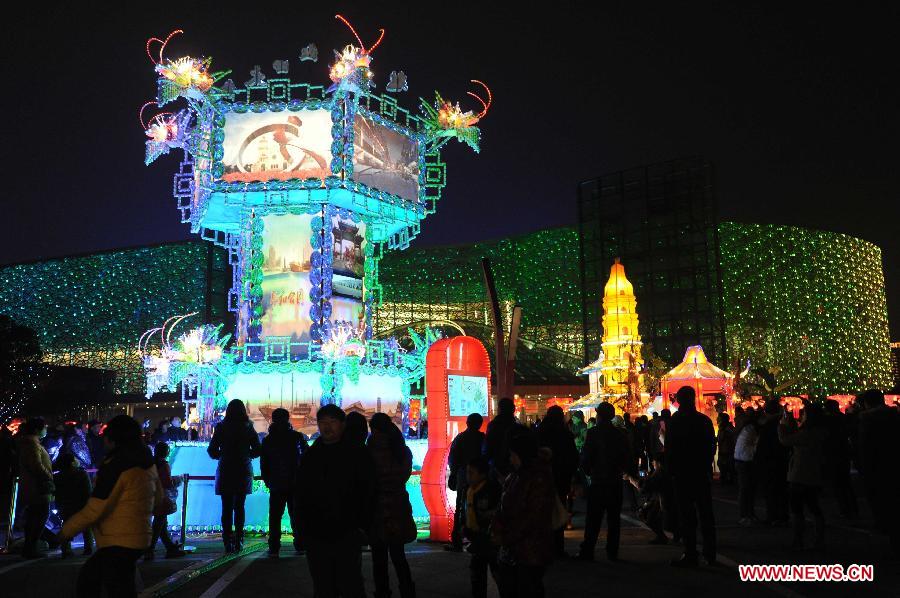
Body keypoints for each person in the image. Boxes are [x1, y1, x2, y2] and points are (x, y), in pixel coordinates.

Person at [59, 415, 164, 598]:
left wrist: (66, 530)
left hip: (118, 540)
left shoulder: (117, 467)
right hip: (139, 536)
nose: (103, 441)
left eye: (106, 436)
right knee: (121, 585)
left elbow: (96, 507)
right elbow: (159, 499)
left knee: (91, 581)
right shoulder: (147, 463)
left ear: (114, 439)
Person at [296, 404, 376, 598]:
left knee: (351, 584)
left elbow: (369, 491)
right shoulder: (310, 456)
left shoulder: (357, 454)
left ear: (342, 425)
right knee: (323, 585)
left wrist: (363, 526)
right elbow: (300, 494)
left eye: (332, 422)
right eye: (322, 422)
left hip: (347, 531)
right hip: (317, 533)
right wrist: (301, 528)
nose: (327, 427)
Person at [492, 431, 555, 597]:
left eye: (513, 455)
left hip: (530, 548)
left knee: (527, 587)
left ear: (522, 454)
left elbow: (533, 517)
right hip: (515, 547)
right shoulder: (517, 474)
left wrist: (507, 536)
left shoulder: (537, 478)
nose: (510, 459)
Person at [666, 386, 717, 567]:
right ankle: (710, 553)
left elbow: (670, 448)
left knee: (687, 516)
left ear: (679, 400)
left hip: (682, 474)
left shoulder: (676, 421)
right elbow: (711, 445)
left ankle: (691, 552)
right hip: (700, 472)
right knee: (705, 514)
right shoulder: (703, 421)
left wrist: (671, 469)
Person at [367, 413, 417, 598]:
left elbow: (367, 480)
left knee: (378, 558)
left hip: (377, 508)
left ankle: (382, 592)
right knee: (398, 555)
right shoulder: (402, 450)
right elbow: (404, 476)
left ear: (375, 430)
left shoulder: (369, 450)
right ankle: (407, 590)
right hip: (398, 506)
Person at [578, 402, 629, 562]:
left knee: (593, 519)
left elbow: (587, 457)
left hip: (598, 480)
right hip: (615, 481)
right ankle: (612, 551)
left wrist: (586, 472)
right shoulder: (620, 434)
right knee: (614, 519)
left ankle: (588, 550)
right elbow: (626, 458)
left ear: (599, 415)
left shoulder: (593, 433)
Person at [207, 399, 261, 553]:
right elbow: (258, 449)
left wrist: (222, 456)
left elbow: (211, 450)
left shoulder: (221, 427)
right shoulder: (248, 427)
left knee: (226, 507)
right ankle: (239, 540)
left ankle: (227, 541)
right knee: (239, 506)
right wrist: (245, 455)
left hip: (225, 469)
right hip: (243, 470)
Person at [778, 402, 827, 549]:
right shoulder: (822, 432)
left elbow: (785, 440)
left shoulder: (807, 433)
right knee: (814, 507)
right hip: (815, 474)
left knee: (797, 509)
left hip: (800, 474)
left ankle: (798, 539)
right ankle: (818, 539)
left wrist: (781, 426)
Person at [260, 407, 308, 558]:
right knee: (297, 515)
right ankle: (300, 544)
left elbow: (264, 463)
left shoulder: (269, 440)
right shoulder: (297, 437)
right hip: (295, 482)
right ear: (288, 419)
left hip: (276, 483)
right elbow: (306, 456)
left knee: (275, 517)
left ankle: (274, 547)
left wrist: (268, 480)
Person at [857, 389, 900, 552]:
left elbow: (865, 447)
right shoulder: (894, 415)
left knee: (881, 499)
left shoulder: (868, 419)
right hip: (893, 463)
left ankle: (887, 532)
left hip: (877, 466)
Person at [536, 406, 578, 557]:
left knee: (542, 512)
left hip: (541, 478)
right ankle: (558, 548)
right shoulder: (565, 433)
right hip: (561, 478)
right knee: (559, 511)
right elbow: (573, 457)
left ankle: (542, 547)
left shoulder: (540, 432)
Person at [464, 455, 502, 598]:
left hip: (488, 537)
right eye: (467, 472)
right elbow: (467, 511)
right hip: (477, 537)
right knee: (478, 570)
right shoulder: (470, 490)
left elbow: (495, 512)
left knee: (493, 568)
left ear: (483, 474)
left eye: (471, 473)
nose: (468, 476)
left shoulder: (490, 490)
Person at [16, 417, 54, 559]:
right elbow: (36, 465)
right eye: (44, 427)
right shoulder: (32, 444)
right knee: (39, 517)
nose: (46, 430)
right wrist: (48, 477)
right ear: (37, 429)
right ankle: (31, 548)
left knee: (35, 517)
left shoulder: (31, 443)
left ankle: (30, 547)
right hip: (37, 487)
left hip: (34, 486)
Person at [448, 413, 486, 551]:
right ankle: (476, 539)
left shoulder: (460, 438)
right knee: (478, 508)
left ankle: (457, 539)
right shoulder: (482, 438)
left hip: (463, 477)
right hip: (481, 478)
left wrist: (454, 473)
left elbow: (453, 459)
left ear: (467, 423)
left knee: (460, 507)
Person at [624, 452, 675, 544]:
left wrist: (631, 479)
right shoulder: (667, 470)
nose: (652, 463)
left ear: (659, 462)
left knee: (644, 514)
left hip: (665, 504)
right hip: (668, 501)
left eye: (654, 461)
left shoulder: (659, 472)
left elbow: (644, 488)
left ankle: (664, 536)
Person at [146, 442, 185, 559]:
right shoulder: (164, 464)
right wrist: (178, 479)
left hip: (151, 495)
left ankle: (169, 547)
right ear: (166, 452)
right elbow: (167, 482)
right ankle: (150, 549)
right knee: (159, 523)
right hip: (162, 497)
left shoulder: (151, 463)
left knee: (161, 523)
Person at [755, 400, 790, 526]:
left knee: (771, 491)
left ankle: (774, 516)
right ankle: (782, 515)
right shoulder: (784, 423)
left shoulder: (768, 426)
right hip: (781, 461)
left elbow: (762, 447)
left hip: (770, 462)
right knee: (781, 489)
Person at [53, 452, 94, 557]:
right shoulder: (82, 474)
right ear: (72, 462)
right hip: (81, 504)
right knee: (86, 527)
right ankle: (88, 548)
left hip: (65, 506)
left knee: (66, 526)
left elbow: (56, 493)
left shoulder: (58, 476)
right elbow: (88, 490)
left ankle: (66, 549)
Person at [822, 400, 857, 518]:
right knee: (845, 482)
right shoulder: (843, 418)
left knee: (838, 483)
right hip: (843, 452)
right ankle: (851, 508)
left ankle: (845, 509)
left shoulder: (827, 421)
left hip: (833, 453)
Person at [733, 408, 760, 525]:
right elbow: (755, 445)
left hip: (742, 459)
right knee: (746, 489)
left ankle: (747, 514)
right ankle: (745, 515)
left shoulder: (745, 428)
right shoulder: (752, 429)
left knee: (746, 489)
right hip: (746, 460)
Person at [485, 398, 518, 480]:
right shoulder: (517, 427)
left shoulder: (493, 425)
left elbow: (488, 447)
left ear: (499, 409)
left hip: (495, 466)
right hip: (513, 467)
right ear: (513, 409)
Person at [716, 413, 736, 485]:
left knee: (726, 466)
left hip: (727, 451)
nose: (717, 419)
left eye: (719, 418)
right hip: (724, 451)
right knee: (723, 466)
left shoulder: (727, 429)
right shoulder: (723, 428)